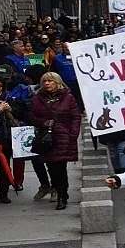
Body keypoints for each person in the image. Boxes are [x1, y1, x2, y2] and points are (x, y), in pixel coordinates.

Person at [26, 72, 81, 210]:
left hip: (63, 136)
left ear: (57, 82)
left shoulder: (68, 97)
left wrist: (73, 134)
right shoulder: (37, 98)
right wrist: (43, 122)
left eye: (50, 81)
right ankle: (56, 189)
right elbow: (31, 116)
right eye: (44, 81)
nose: (47, 84)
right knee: (51, 166)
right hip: (46, 138)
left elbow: (75, 116)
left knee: (60, 167)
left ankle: (62, 195)